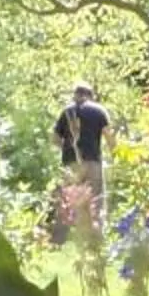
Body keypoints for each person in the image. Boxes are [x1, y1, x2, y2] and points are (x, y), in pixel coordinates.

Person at [54, 83, 113, 224]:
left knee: (72, 202)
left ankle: (74, 235)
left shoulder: (66, 112)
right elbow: (109, 138)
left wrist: (67, 148)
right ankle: (96, 236)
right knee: (96, 201)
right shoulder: (99, 111)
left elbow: (55, 139)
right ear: (90, 96)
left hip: (71, 163)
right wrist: (113, 154)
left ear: (75, 95)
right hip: (93, 162)